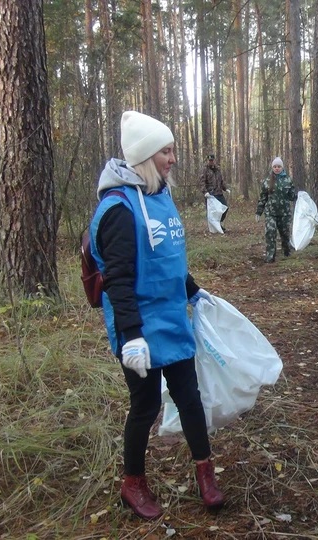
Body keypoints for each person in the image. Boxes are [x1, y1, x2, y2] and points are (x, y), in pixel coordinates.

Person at [89, 111, 226, 520]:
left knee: (189, 397)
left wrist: (194, 290)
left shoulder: (159, 195)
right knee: (145, 407)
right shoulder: (118, 209)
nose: (173, 158)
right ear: (147, 155)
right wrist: (131, 336)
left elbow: (167, 258)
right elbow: (118, 278)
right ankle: (132, 483)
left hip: (171, 319)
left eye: (172, 150)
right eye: (167, 151)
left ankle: (205, 473)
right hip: (140, 329)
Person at [255, 157, 295, 263]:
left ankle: (287, 252)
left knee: (285, 234)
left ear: (282, 167)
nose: (277, 168)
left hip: (284, 213)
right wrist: (259, 212)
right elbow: (263, 198)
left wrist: (299, 197)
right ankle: (270, 256)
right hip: (270, 213)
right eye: (275, 167)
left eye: (279, 167)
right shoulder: (267, 181)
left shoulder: (288, 180)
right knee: (270, 232)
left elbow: (292, 196)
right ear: (272, 167)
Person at [201, 153, 230, 232]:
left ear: (214, 160)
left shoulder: (218, 169)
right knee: (214, 212)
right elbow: (202, 182)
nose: (211, 162)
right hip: (211, 194)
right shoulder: (205, 169)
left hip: (219, 192)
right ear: (207, 161)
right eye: (210, 160)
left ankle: (218, 223)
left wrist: (225, 188)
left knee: (225, 208)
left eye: (212, 160)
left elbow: (221, 181)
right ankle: (217, 227)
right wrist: (205, 192)